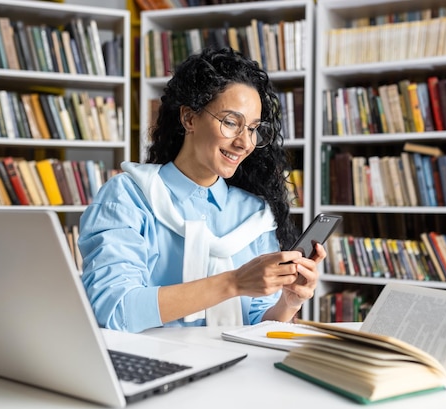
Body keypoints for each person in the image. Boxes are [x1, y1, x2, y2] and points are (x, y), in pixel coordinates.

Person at [78, 47, 326, 333]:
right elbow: (113, 310)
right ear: (189, 119)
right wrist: (233, 282)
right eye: (231, 122)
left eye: (253, 128)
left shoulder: (253, 213)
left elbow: (258, 322)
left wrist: (288, 303)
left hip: (239, 369)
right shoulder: (128, 196)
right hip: (153, 368)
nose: (245, 143)